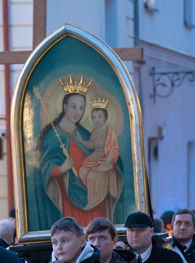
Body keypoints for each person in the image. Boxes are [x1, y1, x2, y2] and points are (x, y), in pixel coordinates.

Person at [29, 80, 127, 231]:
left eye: (81, 108)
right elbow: (41, 170)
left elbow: (107, 155)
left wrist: (108, 165)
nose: (77, 112)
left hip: (95, 196)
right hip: (68, 199)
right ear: (65, 106)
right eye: (73, 107)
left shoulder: (85, 135)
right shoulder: (51, 136)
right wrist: (61, 169)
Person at [77, 102, 123, 213]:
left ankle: (93, 201)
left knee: (92, 176)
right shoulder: (94, 131)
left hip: (105, 157)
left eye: (99, 117)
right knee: (82, 171)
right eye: (94, 117)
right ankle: (91, 195)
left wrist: (109, 158)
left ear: (105, 117)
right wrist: (82, 141)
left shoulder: (109, 131)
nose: (96, 120)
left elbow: (115, 148)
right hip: (95, 156)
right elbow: (92, 145)